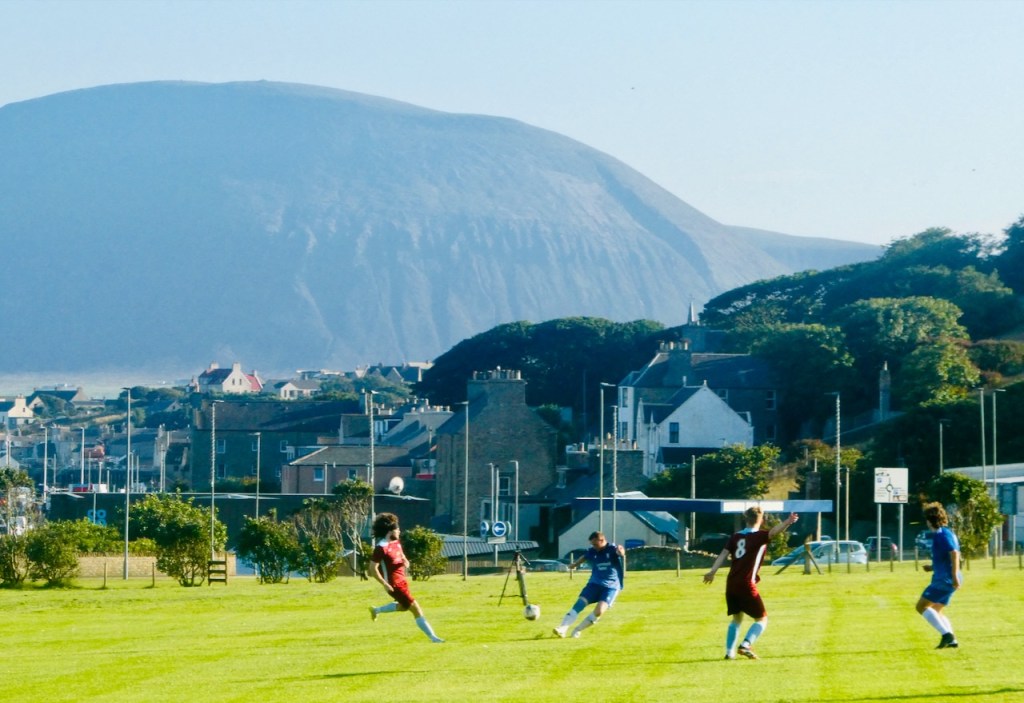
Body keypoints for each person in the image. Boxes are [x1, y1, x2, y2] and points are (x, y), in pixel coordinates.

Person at [703, 507, 798, 660]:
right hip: (746, 584)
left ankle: (729, 653)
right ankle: (746, 644)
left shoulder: (735, 537)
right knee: (762, 619)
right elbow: (774, 532)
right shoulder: (759, 536)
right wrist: (787, 522)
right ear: (761, 520)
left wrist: (712, 572)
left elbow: (723, 554)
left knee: (736, 619)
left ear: (745, 519)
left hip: (731, 583)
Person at [368, 512, 444, 643]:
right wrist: (384, 584)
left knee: (404, 607)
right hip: (394, 585)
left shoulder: (396, 542)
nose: (399, 531)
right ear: (390, 531)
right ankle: (433, 638)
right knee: (416, 608)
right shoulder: (381, 548)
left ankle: (376, 610)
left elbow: (401, 554)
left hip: (403, 581)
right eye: (397, 529)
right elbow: (372, 569)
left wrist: (405, 560)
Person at [552, 531, 625, 639]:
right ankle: (562, 628)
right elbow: (585, 556)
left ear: (602, 540)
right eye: (592, 544)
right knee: (579, 604)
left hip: (611, 587)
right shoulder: (593, 551)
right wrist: (575, 564)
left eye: (595, 544)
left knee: (599, 611)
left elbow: (621, 552)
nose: (593, 547)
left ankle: (578, 629)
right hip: (594, 584)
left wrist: (621, 551)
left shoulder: (612, 549)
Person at [916, 502, 962, 649]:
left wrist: (954, 576)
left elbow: (954, 553)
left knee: (921, 606)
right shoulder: (943, 533)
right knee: (936, 609)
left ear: (930, 520)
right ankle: (952, 640)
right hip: (946, 577)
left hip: (945, 579)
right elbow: (945, 557)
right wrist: (932, 567)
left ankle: (946, 635)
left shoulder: (942, 534)